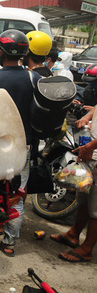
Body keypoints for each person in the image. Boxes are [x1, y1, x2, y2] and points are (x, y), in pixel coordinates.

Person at [0, 29, 40, 256]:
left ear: (1, 52)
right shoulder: (35, 79)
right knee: (16, 196)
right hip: (22, 148)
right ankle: (9, 244)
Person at [50, 104, 97, 262]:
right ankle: (73, 234)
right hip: (90, 150)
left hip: (93, 149)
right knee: (84, 197)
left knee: (95, 209)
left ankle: (87, 249)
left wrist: (91, 146)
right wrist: (86, 117)